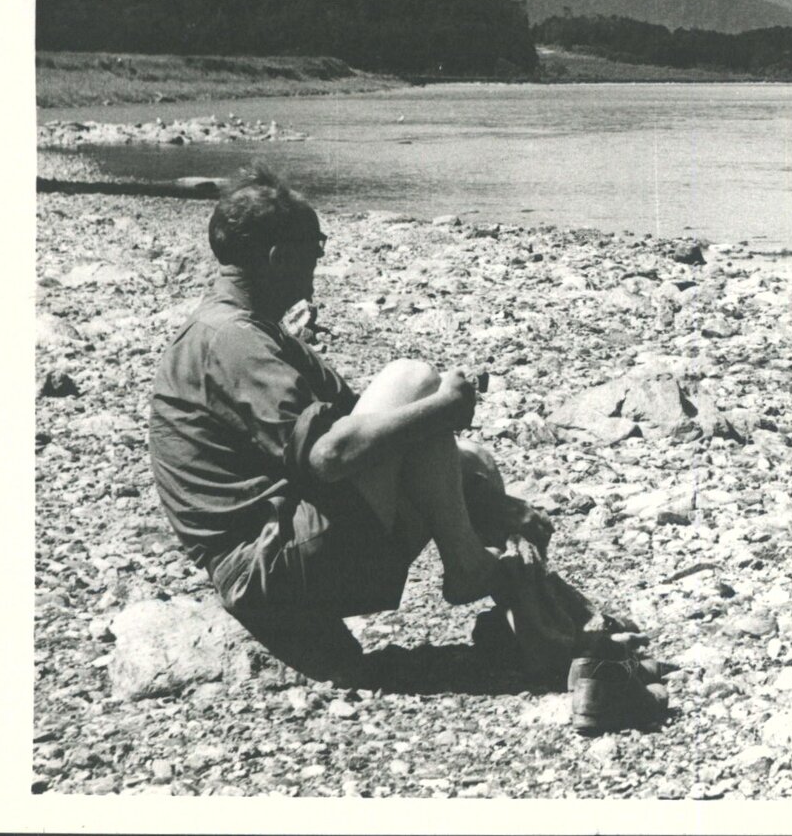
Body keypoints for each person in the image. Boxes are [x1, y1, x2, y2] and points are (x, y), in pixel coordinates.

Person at [147, 164, 573, 685]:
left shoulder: (252, 334)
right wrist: (446, 407)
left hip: (286, 552)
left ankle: (525, 622)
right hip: (265, 569)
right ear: (279, 258)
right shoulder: (230, 339)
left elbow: (380, 440)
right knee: (414, 380)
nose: (320, 261)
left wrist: (488, 499)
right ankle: (469, 568)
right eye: (316, 246)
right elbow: (332, 456)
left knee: (471, 464)